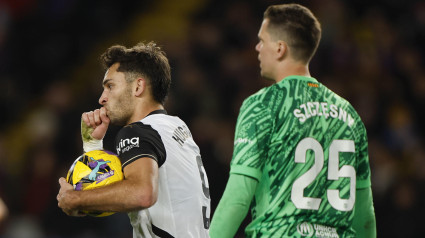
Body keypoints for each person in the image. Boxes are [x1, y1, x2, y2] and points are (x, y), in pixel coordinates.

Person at [209, 4, 376, 238]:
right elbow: (364, 216)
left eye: (262, 40)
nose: (257, 48)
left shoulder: (263, 105)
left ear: (280, 48)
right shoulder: (350, 114)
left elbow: (238, 197)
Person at [57, 42, 211, 238]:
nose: (102, 98)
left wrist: (75, 199)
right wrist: (93, 146)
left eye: (110, 86)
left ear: (138, 86)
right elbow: (118, 189)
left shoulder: (136, 132)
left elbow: (141, 193)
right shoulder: (176, 127)